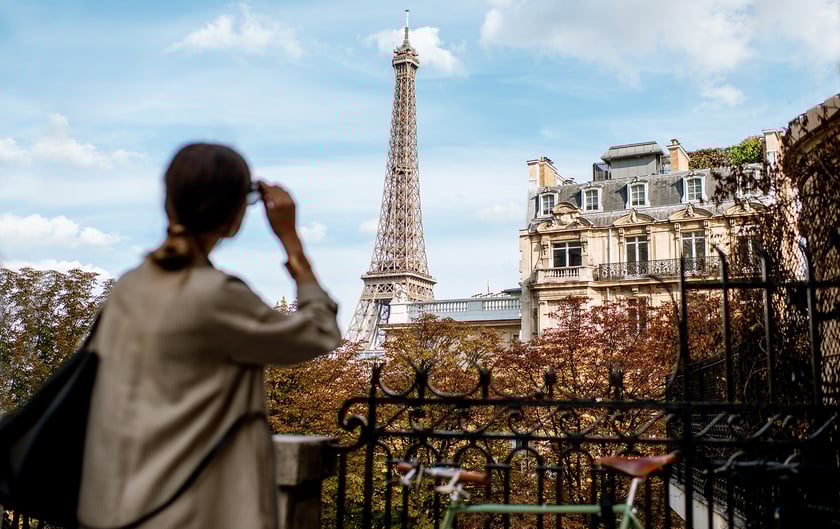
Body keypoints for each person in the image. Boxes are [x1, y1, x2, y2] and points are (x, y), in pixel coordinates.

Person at [77, 143, 341, 529]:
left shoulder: (128, 288)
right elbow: (320, 332)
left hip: (114, 505)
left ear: (169, 205)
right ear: (236, 218)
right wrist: (292, 244)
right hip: (188, 508)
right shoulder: (218, 296)